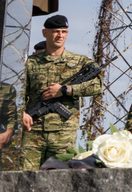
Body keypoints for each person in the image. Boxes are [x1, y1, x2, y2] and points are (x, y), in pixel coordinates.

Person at [19, 15, 102, 170]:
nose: (60, 35)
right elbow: (17, 92)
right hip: (33, 131)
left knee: (59, 176)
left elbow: (97, 86)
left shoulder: (80, 62)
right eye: (56, 31)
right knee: (25, 175)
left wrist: (65, 90)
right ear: (44, 33)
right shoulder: (30, 63)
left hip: (63, 133)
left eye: (64, 32)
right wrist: (21, 113)